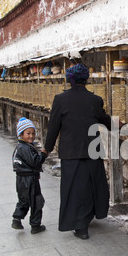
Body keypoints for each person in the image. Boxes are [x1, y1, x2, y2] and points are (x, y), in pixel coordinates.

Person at [43, 63, 114, 240]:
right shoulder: (94, 100)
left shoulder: (60, 99)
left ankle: (80, 224)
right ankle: (87, 217)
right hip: (92, 150)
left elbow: (53, 127)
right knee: (91, 185)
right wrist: (122, 126)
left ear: (70, 79)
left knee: (75, 188)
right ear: (86, 79)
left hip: (71, 151)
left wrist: (47, 148)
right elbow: (105, 120)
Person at [12, 117, 48, 234]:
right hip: (29, 180)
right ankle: (35, 225)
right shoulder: (25, 148)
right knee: (36, 201)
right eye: (28, 133)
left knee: (23, 200)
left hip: (21, 179)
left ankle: (17, 219)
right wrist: (43, 154)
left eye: (33, 133)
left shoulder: (20, 147)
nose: (31, 136)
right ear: (21, 135)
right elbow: (35, 162)